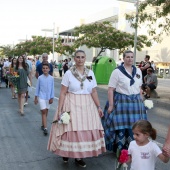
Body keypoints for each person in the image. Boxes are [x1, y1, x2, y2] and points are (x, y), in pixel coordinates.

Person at [47, 50, 106, 168]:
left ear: (85, 59)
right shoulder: (69, 73)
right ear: (74, 59)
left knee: (84, 130)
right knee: (71, 130)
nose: (80, 59)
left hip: (87, 105)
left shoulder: (90, 73)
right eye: (78, 57)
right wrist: (60, 109)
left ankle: (79, 157)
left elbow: (93, 91)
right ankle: (66, 152)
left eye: (82, 57)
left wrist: (98, 106)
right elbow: (63, 93)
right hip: (72, 103)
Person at [102, 50, 147, 153]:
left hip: (135, 103)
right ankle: (120, 150)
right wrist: (111, 105)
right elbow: (110, 89)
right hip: (121, 102)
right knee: (120, 127)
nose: (130, 59)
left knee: (135, 127)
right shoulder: (117, 71)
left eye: (131, 57)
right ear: (123, 58)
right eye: (127, 57)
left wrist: (142, 102)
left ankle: (133, 149)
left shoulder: (138, 71)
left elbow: (139, 88)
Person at [34, 63, 54, 135]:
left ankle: (43, 124)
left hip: (48, 97)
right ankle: (45, 128)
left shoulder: (51, 78)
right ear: (42, 69)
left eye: (46, 68)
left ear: (49, 69)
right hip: (41, 97)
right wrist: (36, 98)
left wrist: (52, 97)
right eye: (44, 68)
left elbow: (52, 89)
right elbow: (37, 88)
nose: (45, 69)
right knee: (43, 111)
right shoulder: (40, 78)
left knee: (46, 112)